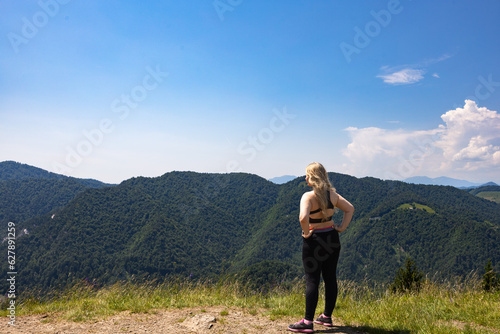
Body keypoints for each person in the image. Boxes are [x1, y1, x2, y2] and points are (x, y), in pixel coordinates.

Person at [288, 162, 354, 333]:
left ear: (313, 177)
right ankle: (326, 317)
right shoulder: (332, 196)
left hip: (315, 240)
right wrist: (341, 228)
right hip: (332, 239)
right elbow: (350, 209)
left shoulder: (308, 197)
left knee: (312, 280)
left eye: (307, 175)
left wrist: (306, 233)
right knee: (330, 278)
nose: (305, 178)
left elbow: (303, 218)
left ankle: (307, 322)